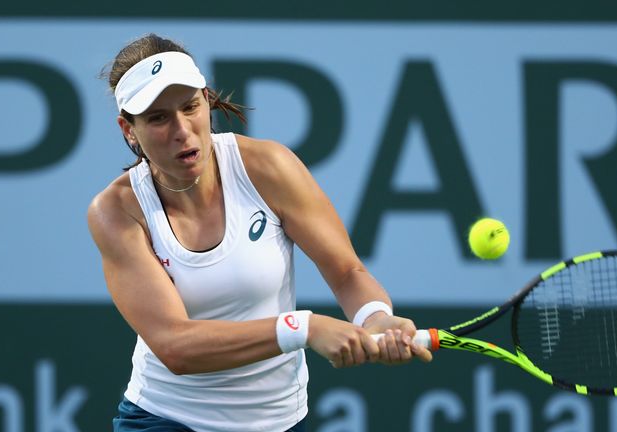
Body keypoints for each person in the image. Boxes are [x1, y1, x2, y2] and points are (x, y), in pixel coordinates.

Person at [87, 33, 432, 432]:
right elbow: (175, 346)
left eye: (190, 107)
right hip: (167, 420)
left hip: (280, 421)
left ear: (207, 100)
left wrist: (375, 316)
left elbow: (346, 271)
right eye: (158, 118)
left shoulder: (268, 167)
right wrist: (303, 328)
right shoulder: (116, 212)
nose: (182, 130)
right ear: (129, 130)